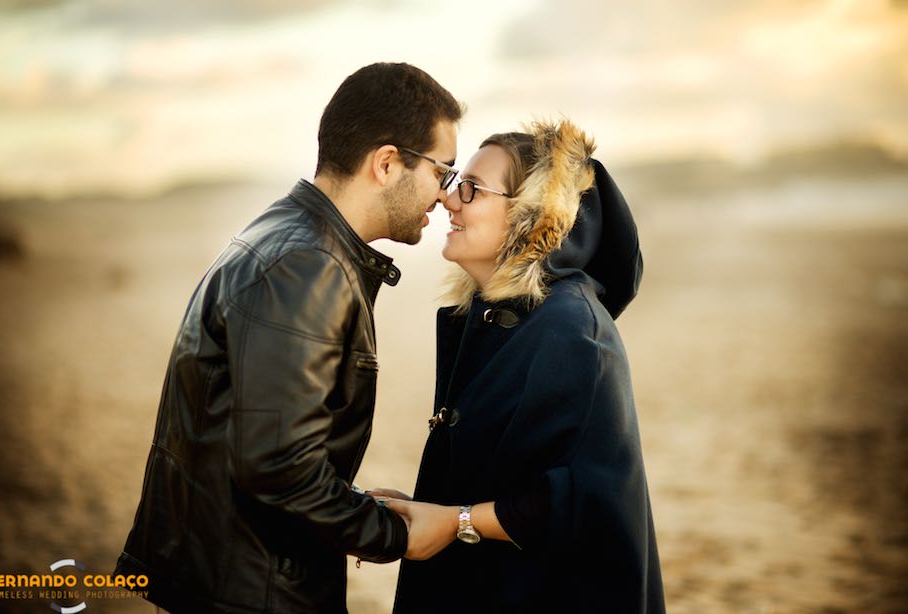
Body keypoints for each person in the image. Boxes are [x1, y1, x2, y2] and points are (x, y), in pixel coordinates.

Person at [113, 62, 463, 613]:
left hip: (230, 577)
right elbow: (278, 468)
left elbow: (259, 442)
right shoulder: (310, 265)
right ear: (388, 163)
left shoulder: (285, 233)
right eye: (443, 171)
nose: (445, 196)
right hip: (253, 593)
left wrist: (354, 501)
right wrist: (395, 536)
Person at [379, 119, 665, 612]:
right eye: (453, 184)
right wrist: (425, 509)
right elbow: (509, 478)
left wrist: (455, 523)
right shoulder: (490, 318)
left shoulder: (573, 330)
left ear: (531, 216)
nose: (449, 200)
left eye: (471, 189)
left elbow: (586, 502)